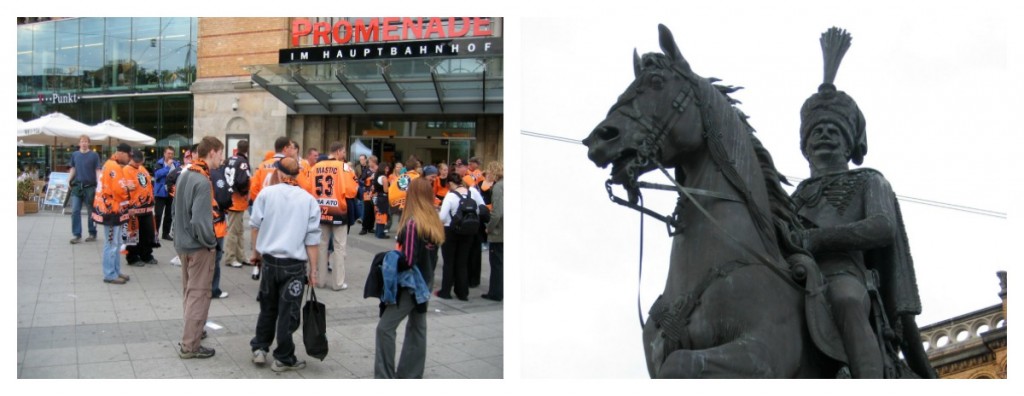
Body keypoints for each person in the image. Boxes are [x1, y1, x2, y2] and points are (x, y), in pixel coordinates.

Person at [791, 27, 932, 379]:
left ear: (848, 144)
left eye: (834, 131)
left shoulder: (870, 180)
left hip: (844, 273)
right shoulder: (794, 197)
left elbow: (881, 227)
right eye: (817, 131)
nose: (824, 135)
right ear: (805, 145)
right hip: (794, 276)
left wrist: (819, 239)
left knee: (846, 300)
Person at [249, 157, 321, 372]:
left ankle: (260, 348)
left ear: (279, 173)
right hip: (294, 265)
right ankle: (283, 357)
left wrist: (256, 254)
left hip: (270, 261)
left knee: (267, 308)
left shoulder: (266, 194)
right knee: (288, 311)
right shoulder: (308, 200)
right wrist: (314, 269)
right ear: (297, 174)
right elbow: (312, 239)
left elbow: (254, 226)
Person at [374, 178, 445, 379]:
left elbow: (409, 260)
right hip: (426, 280)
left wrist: (389, 260)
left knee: (385, 328)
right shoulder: (433, 220)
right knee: (418, 328)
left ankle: (385, 376)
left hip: (411, 284)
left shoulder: (413, 223)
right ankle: (411, 375)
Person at [172, 136, 224, 359]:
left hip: (183, 244)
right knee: (199, 295)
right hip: (198, 247)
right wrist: (211, 243)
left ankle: (193, 333)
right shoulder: (202, 181)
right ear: (212, 152)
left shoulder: (186, 174)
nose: (222, 159)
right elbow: (201, 222)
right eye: (221, 153)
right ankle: (190, 345)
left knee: (189, 292)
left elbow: (177, 212)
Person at [311, 142, 357, 291]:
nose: (344, 155)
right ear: (338, 152)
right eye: (343, 152)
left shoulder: (315, 167)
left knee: (322, 245)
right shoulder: (344, 167)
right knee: (339, 247)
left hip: (320, 210)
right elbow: (352, 191)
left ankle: (321, 280)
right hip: (339, 211)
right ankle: (338, 283)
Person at [436, 174, 485, 301]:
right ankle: (462, 293)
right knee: (462, 262)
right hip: (468, 231)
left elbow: (442, 217)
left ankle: (445, 291)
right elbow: (482, 208)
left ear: (450, 184)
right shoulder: (472, 192)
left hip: (450, 230)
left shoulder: (450, 196)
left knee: (449, 262)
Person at [92, 143, 136, 284]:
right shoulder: (114, 167)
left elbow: (116, 186)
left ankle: (115, 271)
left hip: (113, 210)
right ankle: (110, 274)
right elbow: (119, 190)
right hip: (111, 211)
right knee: (111, 243)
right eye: (129, 156)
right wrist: (129, 190)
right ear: (122, 153)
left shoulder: (112, 165)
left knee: (115, 243)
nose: (130, 159)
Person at [123, 150, 157, 266]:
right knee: (133, 234)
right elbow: (119, 187)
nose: (137, 163)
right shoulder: (125, 170)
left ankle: (146, 254)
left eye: (139, 161)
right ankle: (132, 257)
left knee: (147, 233)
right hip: (133, 208)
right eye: (135, 161)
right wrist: (126, 187)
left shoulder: (143, 169)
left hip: (146, 207)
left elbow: (148, 185)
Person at [222, 140, 251, 268]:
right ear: (247, 149)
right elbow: (244, 179)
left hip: (229, 197)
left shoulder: (229, 160)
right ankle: (230, 257)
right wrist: (244, 192)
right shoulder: (243, 162)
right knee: (234, 231)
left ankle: (240, 256)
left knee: (238, 230)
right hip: (237, 199)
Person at [68, 135, 101, 244]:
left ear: (89, 143)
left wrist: (99, 185)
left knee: (91, 211)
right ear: (79, 143)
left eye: (86, 141)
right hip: (77, 186)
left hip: (90, 187)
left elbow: (97, 170)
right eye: (82, 141)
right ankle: (77, 235)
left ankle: (92, 233)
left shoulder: (94, 155)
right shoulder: (75, 155)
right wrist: (68, 180)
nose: (84, 143)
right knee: (75, 211)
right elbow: (73, 168)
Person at [481, 161, 503, 302]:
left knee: (496, 264)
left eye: (489, 172)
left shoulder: (498, 187)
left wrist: (489, 227)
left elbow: (497, 213)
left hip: (499, 232)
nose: (487, 175)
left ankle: (495, 293)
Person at [153, 146, 180, 241]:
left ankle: (165, 233)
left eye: (172, 153)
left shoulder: (176, 164)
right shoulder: (159, 163)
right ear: (164, 153)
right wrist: (167, 167)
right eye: (168, 153)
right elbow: (157, 175)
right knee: (158, 214)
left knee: (169, 215)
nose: (170, 155)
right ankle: (154, 234)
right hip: (160, 193)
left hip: (171, 192)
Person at [359, 155, 379, 235]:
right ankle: (364, 228)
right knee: (367, 210)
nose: (369, 163)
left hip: (375, 193)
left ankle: (371, 227)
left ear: (373, 162)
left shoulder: (378, 170)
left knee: (373, 211)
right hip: (367, 193)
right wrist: (369, 179)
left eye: (370, 162)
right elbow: (361, 180)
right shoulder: (366, 170)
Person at [373, 162, 391, 239]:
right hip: (383, 198)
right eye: (386, 168)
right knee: (383, 214)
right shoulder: (384, 178)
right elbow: (386, 190)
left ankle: (377, 232)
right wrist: (392, 186)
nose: (388, 169)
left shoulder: (377, 176)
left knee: (378, 214)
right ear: (383, 168)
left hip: (378, 197)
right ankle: (380, 233)